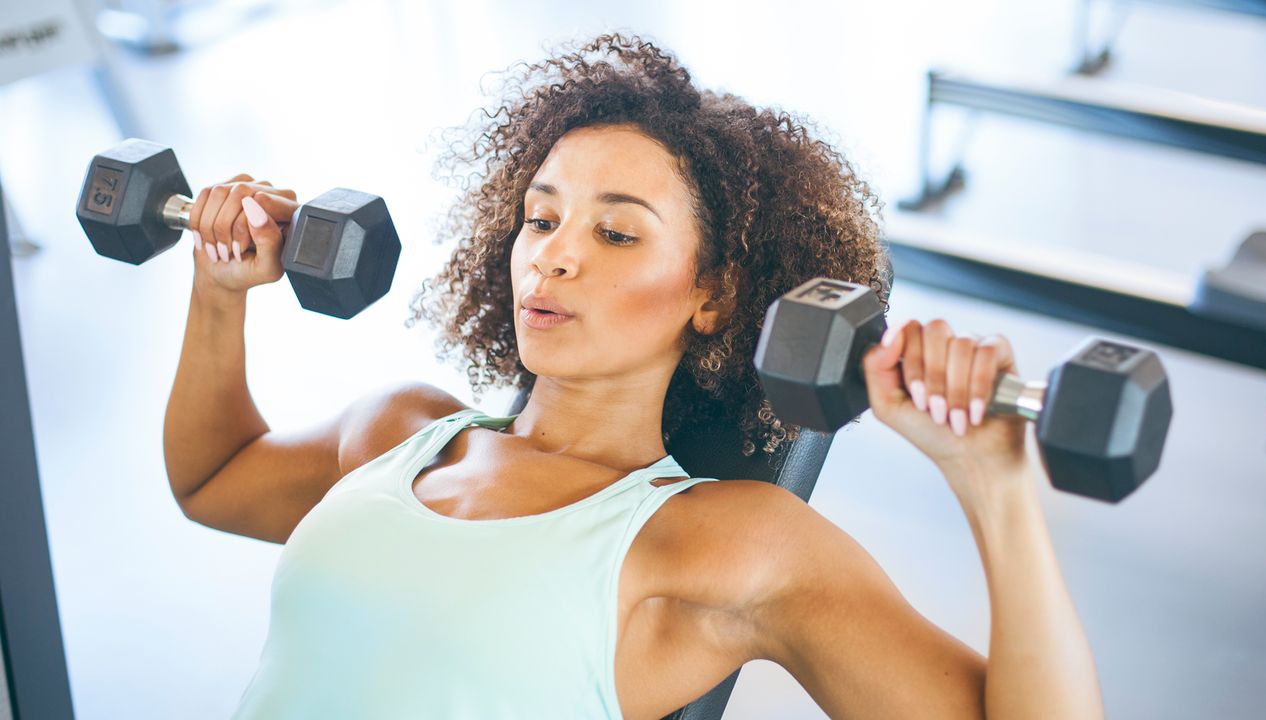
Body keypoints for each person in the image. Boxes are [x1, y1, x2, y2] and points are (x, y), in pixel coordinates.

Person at [164, 33, 1104, 720]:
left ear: (714, 296)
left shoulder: (721, 544)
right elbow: (214, 479)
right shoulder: (398, 432)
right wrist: (220, 290)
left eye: (616, 232)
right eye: (541, 219)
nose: (553, 258)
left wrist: (996, 483)